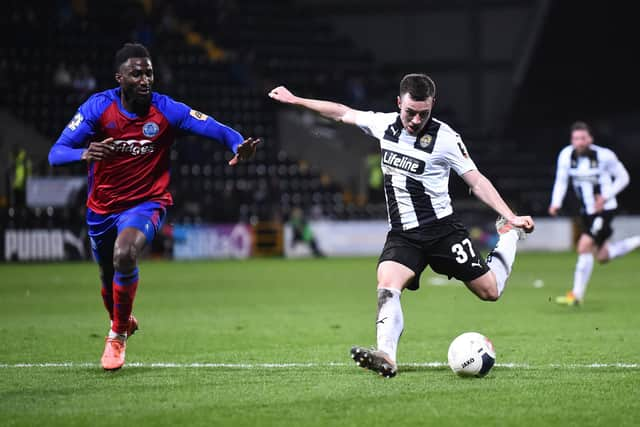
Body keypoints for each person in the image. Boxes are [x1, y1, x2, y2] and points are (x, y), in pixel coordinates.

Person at [268, 74, 534, 378]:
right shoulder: (384, 124)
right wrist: (297, 100)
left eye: (424, 112)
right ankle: (386, 356)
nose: (416, 119)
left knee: (490, 291)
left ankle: (508, 236)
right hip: (404, 236)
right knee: (387, 284)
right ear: (399, 104)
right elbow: (341, 112)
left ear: (433, 105)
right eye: (410, 112)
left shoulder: (446, 138)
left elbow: (476, 180)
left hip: (443, 232)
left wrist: (510, 216)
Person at [48, 43, 260, 371]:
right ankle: (122, 319)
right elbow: (55, 152)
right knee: (107, 278)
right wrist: (84, 153)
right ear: (120, 78)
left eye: (149, 72)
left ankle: (117, 335)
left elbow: (213, 127)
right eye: (137, 73)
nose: (145, 79)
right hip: (102, 209)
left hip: (147, 203)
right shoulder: (97, 108)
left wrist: (237, 143)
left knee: (125, 254)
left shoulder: (166, 110)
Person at [549, 121, 639, 306]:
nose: (579, 142)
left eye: (583, 138)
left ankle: (576, 295)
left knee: (583, 246)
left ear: (590, 138)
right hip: (586, 212)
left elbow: (624, 177)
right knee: (603, 256)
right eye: (575, 138)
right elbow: (561, 181)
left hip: (605, 210)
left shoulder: (605, 156)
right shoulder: (566, 155)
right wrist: (555, 203)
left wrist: (605, 197)